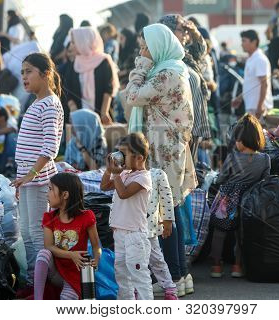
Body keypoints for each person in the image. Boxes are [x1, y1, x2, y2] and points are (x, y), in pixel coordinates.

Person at [121, 23, 197, 297]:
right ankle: (181, 275)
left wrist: (140, 66)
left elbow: (131, 96)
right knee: (171, 210)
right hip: (169, 148)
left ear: (159, 47)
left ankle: (174, 275)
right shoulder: (175, 69)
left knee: (165, 214)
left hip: (164, 149)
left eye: (146, 47)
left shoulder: (165, 74)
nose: (142, 52)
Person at [11, 53, 64, 293]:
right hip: (29, 180)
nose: (24, 77)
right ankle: (36, 281)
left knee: (35, 232)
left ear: (46, 74)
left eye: (29, 71)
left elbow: (50, 147)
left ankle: (40, 284)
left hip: (39, 179)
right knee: (27, 233)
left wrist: (31, 174)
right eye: (22, 72)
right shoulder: (37, 102)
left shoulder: (50, 104)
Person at [210, 114, 270, 278]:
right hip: (249, 202)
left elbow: (221, 178)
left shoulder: (232, 157)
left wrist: (218, 179)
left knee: (219, 231)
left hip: (227, 199)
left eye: (237, 139)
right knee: (241, 234)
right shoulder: (265, 159)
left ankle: (216, 266)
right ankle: (237, 266)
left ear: (243, 140)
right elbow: (265, 180)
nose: (235, 142)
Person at [100, 133, 153, 300]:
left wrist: (116, 174)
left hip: (134, 235)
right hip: (120, 233)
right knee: (121, 275)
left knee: (139, 275)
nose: (120, 158)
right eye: (119, 152)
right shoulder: (124, 173)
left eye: (124, 154)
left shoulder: (143, 177)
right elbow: (104, 186)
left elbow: (123, 193)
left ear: (138, 158)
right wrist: (110, 170)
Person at [34, 172, 101, 300]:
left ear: (65, 195)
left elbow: (96, 246)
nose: (47, 193)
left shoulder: (87, 216)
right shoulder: (49, 217)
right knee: (43, 253)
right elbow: (48, 246)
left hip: (77, 274)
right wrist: (71, 255)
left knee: (67, 299)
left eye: (50, 189)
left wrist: (96, 260)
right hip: (56, 272)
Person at [159, 14, 211, 165]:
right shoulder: (166, 57)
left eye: (186, 31)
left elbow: (201, 49)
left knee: (190, 170)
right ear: (169, 32)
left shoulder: (185, 55)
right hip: (177, 127)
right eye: (182, 30)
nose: (186, 34)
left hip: (194, 124)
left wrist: (194, 30)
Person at [69, 27, 120, 125]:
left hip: (101, 117)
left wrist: (104, 112)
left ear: (83, 42)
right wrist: (73, 108)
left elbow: (108, 88)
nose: (71, 46)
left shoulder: (103, 61)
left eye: (73, 42)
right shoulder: (74, 64)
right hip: (81, 118)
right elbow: (68, 89)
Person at [147, 167, 178, 300]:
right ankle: (136, 290)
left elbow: (167, 198)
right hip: (129, 227)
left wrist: (168, 221)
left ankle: (169, 288)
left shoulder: (157, 174)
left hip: (149, 228)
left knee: (157, 259)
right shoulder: (123, 175)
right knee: (132, 261)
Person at [232, 30, 273, 120]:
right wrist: (240, 98)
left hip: (259, 108)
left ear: (254, 42)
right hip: (252, 107)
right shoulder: (251, 58)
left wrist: (260, 106)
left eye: (244, 41)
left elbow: (264, 84)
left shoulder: (259, 59)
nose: (241, 44)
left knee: (261, 134)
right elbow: (251, 84)